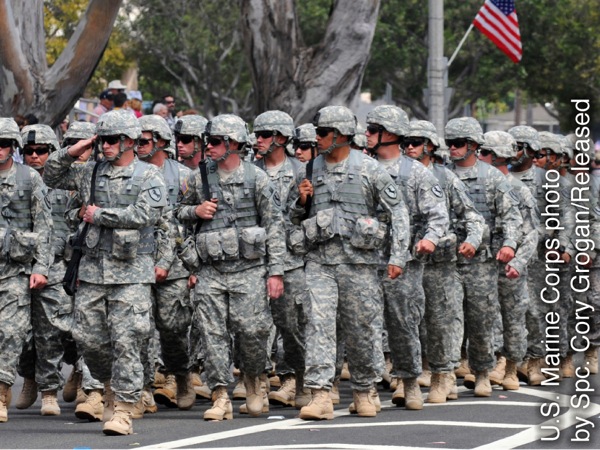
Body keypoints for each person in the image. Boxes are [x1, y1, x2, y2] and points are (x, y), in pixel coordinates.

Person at [42, 110, 167, 436]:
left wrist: (100, 215)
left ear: (129, 142)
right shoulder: (91, 172)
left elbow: (146, 215)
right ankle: (110, 385)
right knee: (88, 340)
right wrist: (77, 148)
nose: (105, 145)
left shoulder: (149, 176)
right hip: (92, 272)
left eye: (111, 140)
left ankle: (124, 409)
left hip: (131, 275)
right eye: (103, 140)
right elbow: (50, 175)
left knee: (127, 341)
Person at [290, 105, 410, 420]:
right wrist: (301, 200)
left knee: (362, 329)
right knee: (318, 325)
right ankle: (320, 394)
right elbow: (292, 217)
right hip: (319, 264)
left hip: (360, 265)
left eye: (322, 133)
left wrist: (398, 256)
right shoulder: (308, 170)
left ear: (341, 135)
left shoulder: (370, 169)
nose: (316, 138)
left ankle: (364, 390)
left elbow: (398, 212)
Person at [176, 114, 285, 421]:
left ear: (233, 143)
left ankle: (253, 380)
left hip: (249, 270)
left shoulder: (257, 179)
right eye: (206, 141)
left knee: (251, 332)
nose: (207, 147)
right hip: (210, 270)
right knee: (212, 334)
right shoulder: (199, 178)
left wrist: (276, 272)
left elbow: (275, 226)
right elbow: (176, 213)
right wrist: (196, 210)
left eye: (214, 142)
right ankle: (220, 394)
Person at [365, 106, 449, 410]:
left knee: (403, 325)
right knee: (364, 326)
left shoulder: (417, 173)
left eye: (373, 130)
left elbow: (438, 216)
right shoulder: (361, 168)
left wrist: (429, 239)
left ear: (389, 134)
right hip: (363, 261)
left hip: (404, 264)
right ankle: (367, 388)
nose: (367, 135)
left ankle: (410, 381)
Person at [403, 120, 485, 403]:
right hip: (405, 262)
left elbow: (471, 216)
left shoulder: (445, 178)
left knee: (441, 323)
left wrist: (472, 240)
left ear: (429, 146)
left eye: (416, 142)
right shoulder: (395, 174)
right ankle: (408, 378)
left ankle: (443, 375)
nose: (409, 147)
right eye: (405, 142)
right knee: (405, 323)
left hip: (439, 264)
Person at [444, 117, 522, 397]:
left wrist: (510, 244)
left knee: (480, 321)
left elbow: (511, 216)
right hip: (447, 261)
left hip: (481, 264)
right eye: (449, 143)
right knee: (447, 319)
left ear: (473, 145)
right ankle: (446, 374)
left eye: (457, 143)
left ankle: (482, 373)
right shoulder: (442, 175)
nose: (452, 148)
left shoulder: (491, 177)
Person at [14, 124, 79, 417]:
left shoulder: (68, 183)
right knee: (19, 333)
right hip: (18, 266)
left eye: (41, 151)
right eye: (28, 151)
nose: (34, 156)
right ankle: (29, 377)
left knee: (51, 333)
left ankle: (49, 390)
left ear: (52, 152)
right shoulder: (13, 183)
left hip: (57, 267)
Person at [136, 114, 195, 414]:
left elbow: (191, 223)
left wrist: (194, 267)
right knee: (140, 329)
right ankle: (143, 387)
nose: (137, 146)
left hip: (176, 265)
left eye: (144, 141)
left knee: (173, 327)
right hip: (137, 261)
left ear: (160, 142)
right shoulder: (131, 173)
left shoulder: (185, 176)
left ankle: (181, 374)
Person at [252, 110, 310, 410]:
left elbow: (310, 216)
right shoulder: (250, 171)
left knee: (291, 325)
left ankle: (299, 378)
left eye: (265, 135)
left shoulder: (301, 171)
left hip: (290, 259)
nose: (258, 140)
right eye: (257, 135)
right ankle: (258, 382)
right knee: (252, 326)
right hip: (254, 258)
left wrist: (304, 201)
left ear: (281, 138)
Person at [0, 118, 53, 423]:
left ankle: (1, 393)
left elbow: (44, 226)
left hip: (16, 270)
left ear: (13, 147)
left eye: (4, 144)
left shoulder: (29, 178)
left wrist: (41, 267)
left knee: (10, 332)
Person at [477, 131, 539, 391]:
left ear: (498, 156)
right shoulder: (478, 186)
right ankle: (493, 364)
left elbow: (531, 232)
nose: (479, 157)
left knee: (513, 319)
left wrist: (518, 262)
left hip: (510, 266)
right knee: (486, 317)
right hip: (483, 264)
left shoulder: (518, 189)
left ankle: (511, 367)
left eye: (484, 152)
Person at [507, 125, 547, 385]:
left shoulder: (546, 180)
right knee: (506, 310)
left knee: (534, 310)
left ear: (532, 151)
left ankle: (535, 360)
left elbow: (558, 217)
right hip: (507, 255)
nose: (514, 151)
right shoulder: (500, 176)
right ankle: (507, 361)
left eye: (519, 146)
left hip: (537, 257)